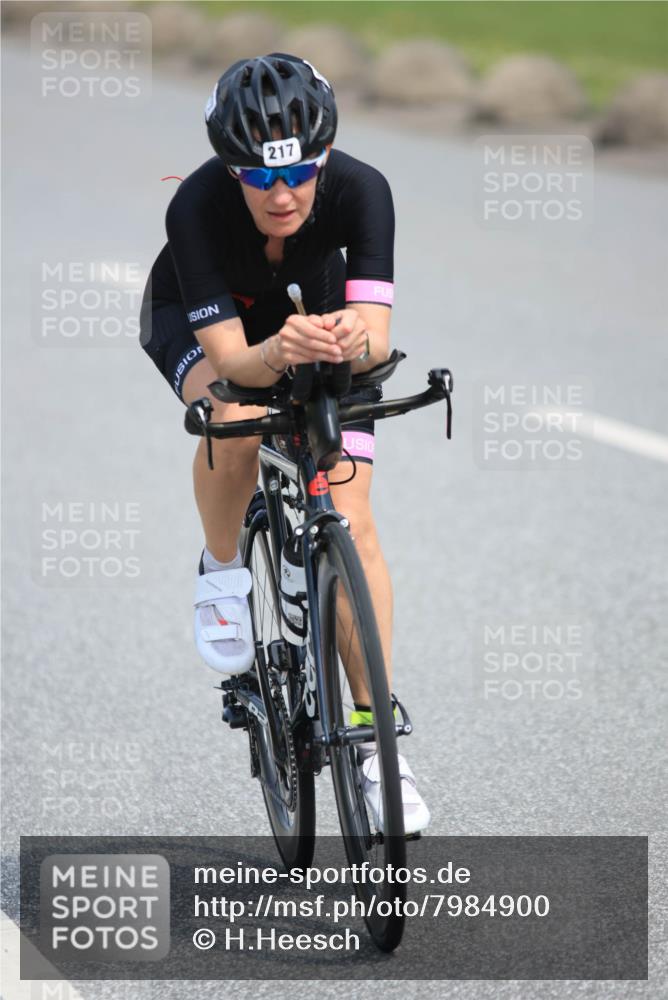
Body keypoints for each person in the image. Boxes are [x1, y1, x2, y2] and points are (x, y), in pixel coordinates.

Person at [139, 53, 429, 834]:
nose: (281, 193)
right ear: (229, 169)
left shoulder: (365, 193)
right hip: (216, 330)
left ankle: (374, 750)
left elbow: (377, 340)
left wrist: (345, 341)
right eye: (257, 175)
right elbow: (233, 365)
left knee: (352, 514)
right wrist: (279, 353)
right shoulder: (197, 208)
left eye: (299, 171)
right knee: (234, 422)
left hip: (315, 322)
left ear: (323, 156)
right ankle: (224, 569)